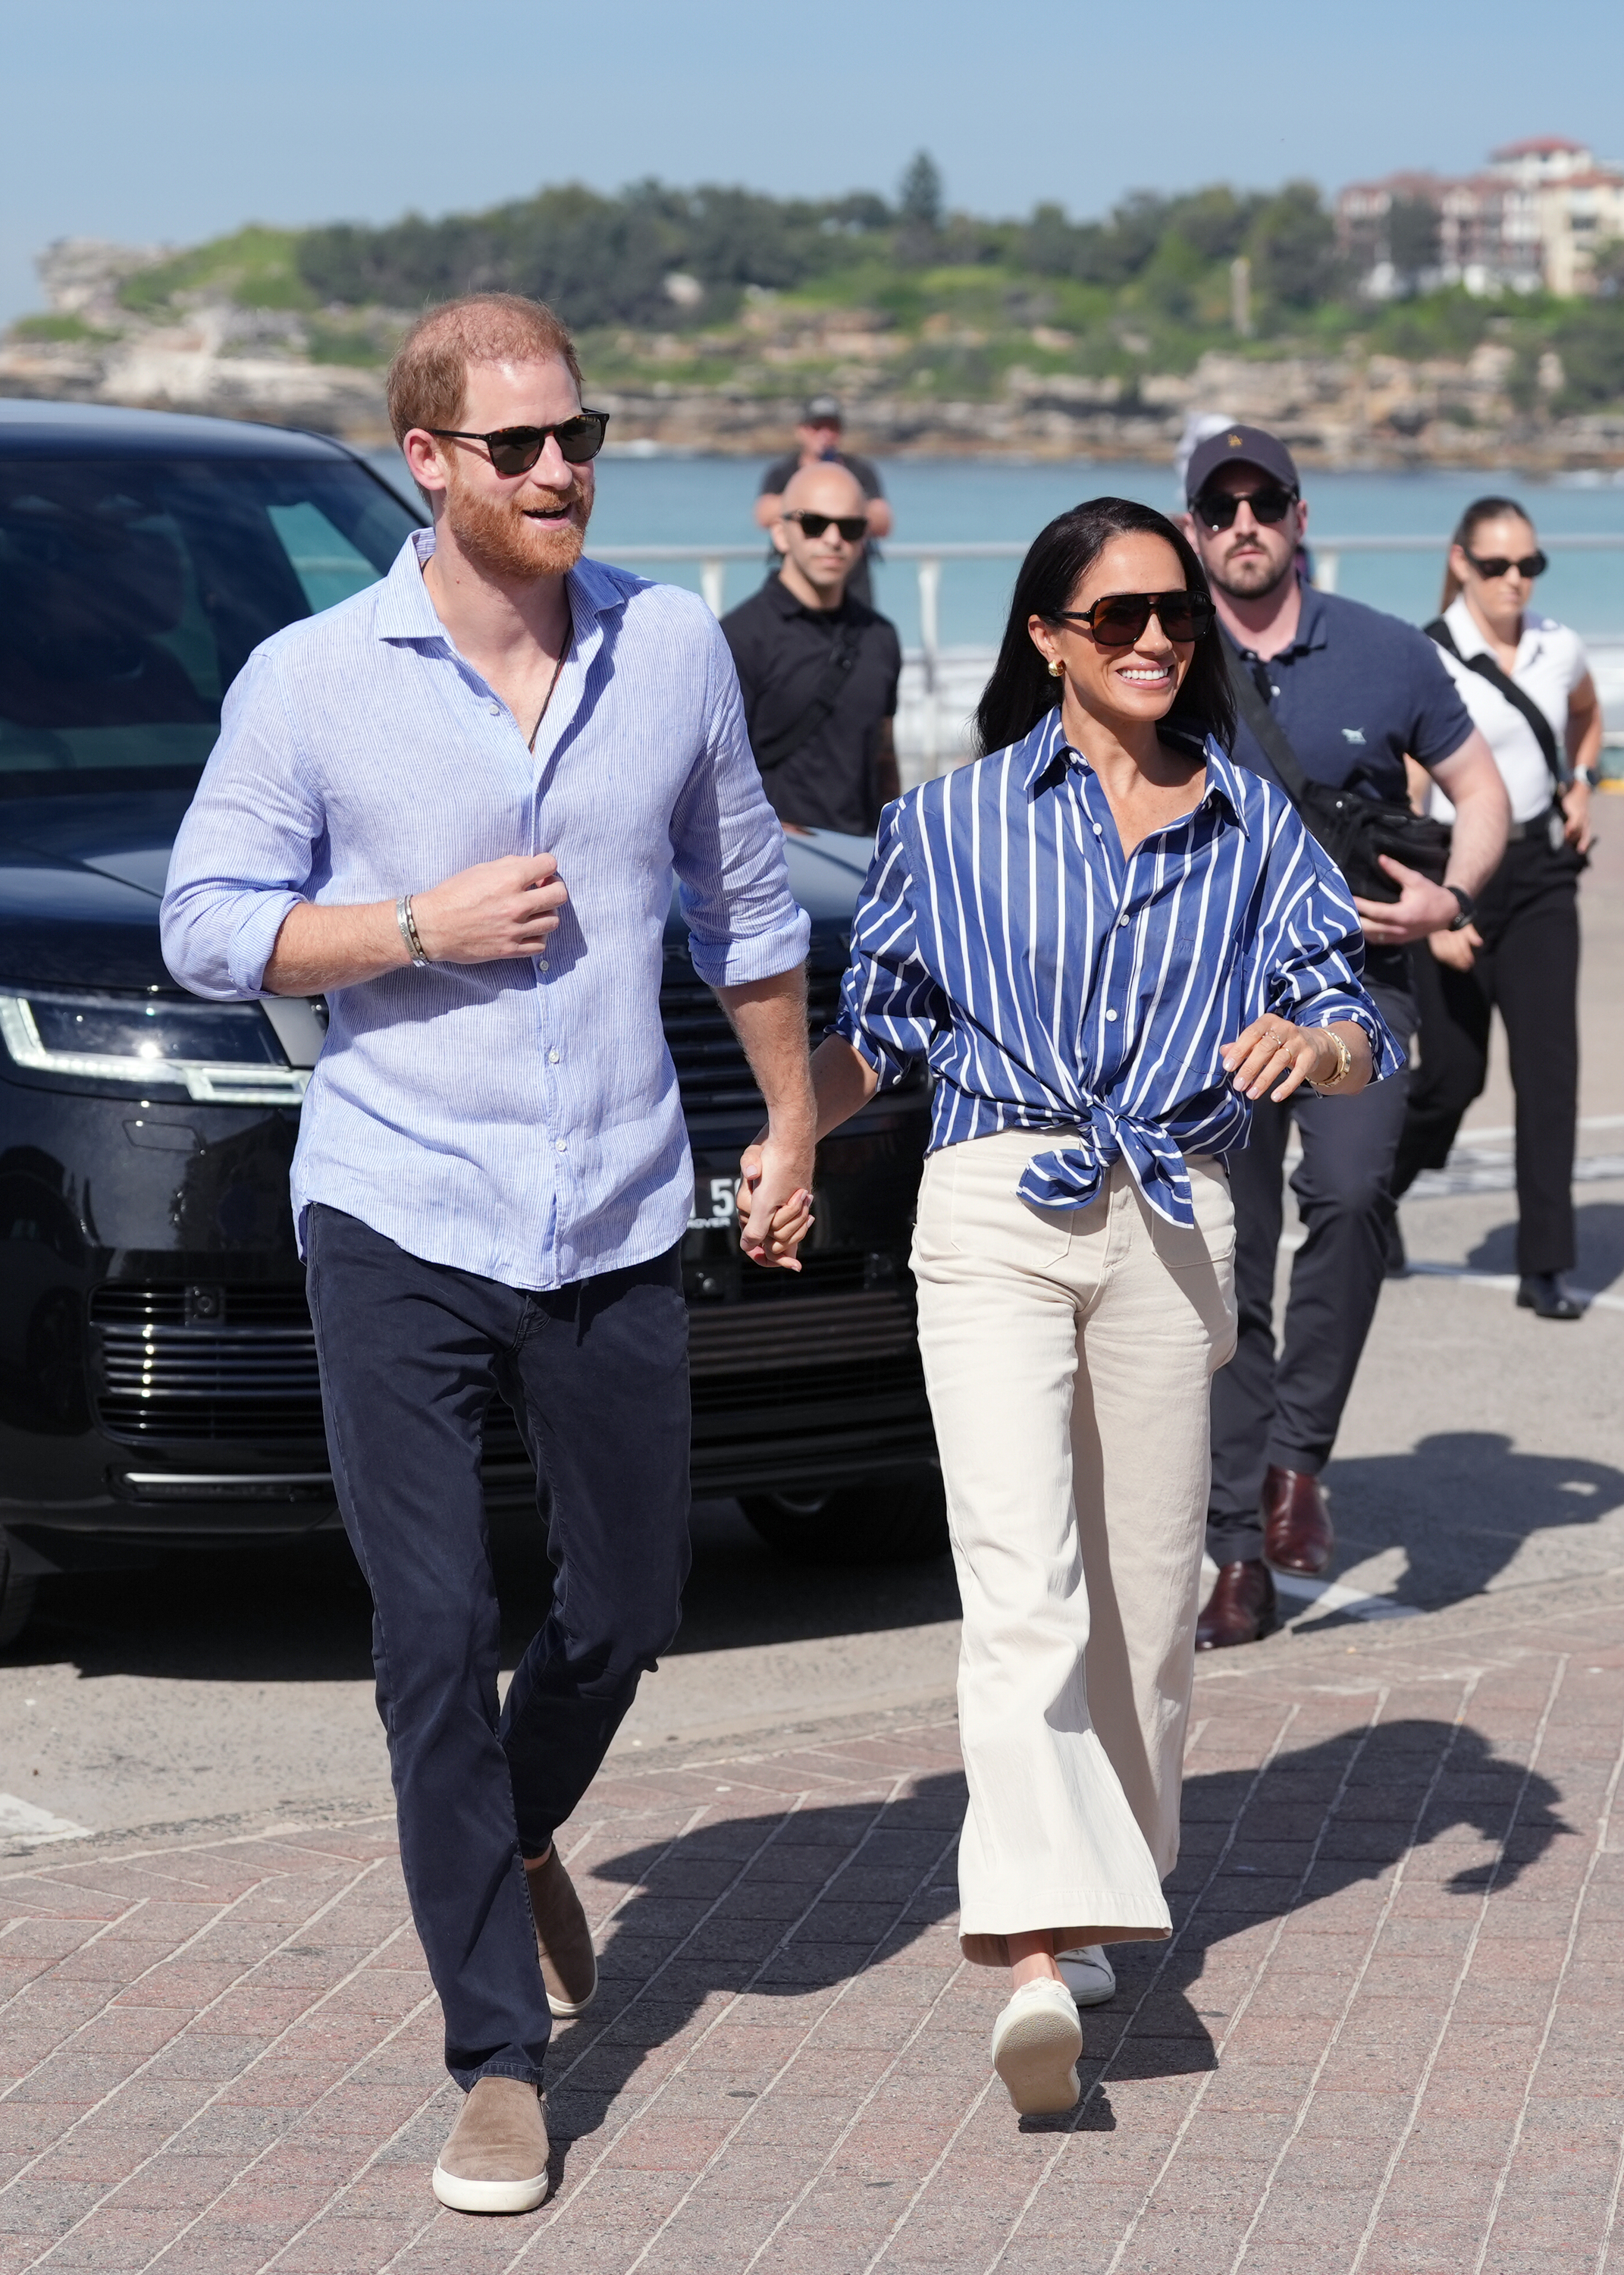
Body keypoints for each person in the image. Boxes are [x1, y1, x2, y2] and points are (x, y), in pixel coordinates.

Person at [161, 293, 816, 2216]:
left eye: (577, 434)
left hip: (615, 1201)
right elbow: (208, 922)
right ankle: (497, 2060)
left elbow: (749, 900)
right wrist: (409, 926)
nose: (560, 469)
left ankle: (515, 1824)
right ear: (428, 459)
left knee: (623, 1609)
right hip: (397, 1208)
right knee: (432, 1633)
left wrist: (781, 1123)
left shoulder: (674, 642)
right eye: (515, 444)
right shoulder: (310, 679)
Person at [743, 496, 1399, 2117]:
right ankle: (1034, 1948)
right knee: (1020, 1578)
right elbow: (880, 1028)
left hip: (1175, 1217)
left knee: (1147, 1596)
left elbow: (1357, 1020)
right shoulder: (949, 822)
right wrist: (788, 1142)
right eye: (1118, 619)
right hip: (996, 1207)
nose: (1160, 640)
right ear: (1046, 640)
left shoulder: (1251, 821)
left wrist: (1307, 1049)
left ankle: (1105, 1893)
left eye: (1173, 613)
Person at [1178, 425, 1510, 1649]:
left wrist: (1450, 901)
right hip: (1213, 1009)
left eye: (1266, 503)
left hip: (1358, 993)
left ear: (1301, 517)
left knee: (1357, 1192)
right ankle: (1232, 1551)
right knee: (1230, 1259)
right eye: (1222, 509)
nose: (1245, 525)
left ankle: (1295, 1463)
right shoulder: (1163, 650)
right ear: (1193, 530)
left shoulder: (1383, 651)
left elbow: (1481, 792)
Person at [1390, 497, 1602, 1320]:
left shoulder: (1559, 646)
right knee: (1451, 1078)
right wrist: (1438, 910)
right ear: (1460, 563)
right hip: (1451, 870)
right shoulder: (1426, 656)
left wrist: (1579, 784)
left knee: (1550, 1072)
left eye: (1529, 565)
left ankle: (1544, 1265)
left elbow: (1584, 719)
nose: (1515, 580)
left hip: (1543, 871)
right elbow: (1407, 790)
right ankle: (1382, 1194)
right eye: (1497, 566)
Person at [723, 460, 901, 835]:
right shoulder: (738, 637)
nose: (833, 539)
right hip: (774, 863)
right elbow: (713, 771)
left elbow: (883, 756)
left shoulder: (880, 636)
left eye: (850, 527)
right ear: (781, 534)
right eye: (814, 524)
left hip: (862, 859)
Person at [755, 396, 892, 609]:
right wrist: (813, 489)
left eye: (832, 428)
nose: (825, 435)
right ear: (801, 430)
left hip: (852, 580)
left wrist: (843, 493)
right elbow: (763, 515)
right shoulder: (782, 473)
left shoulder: (860, 471)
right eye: (817, 428)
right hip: (798, 577)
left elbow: (884, 522)